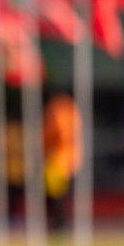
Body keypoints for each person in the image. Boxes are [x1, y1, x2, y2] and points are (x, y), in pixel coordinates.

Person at [43, 92, 79, 231]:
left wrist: (42, 142)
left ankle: (59, 222)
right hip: (69, 158)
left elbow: (55, 131)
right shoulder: (72, 109)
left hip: (57, 157)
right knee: (59, 193)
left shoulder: (57, 109)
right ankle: (60, 222)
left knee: (55, 193)